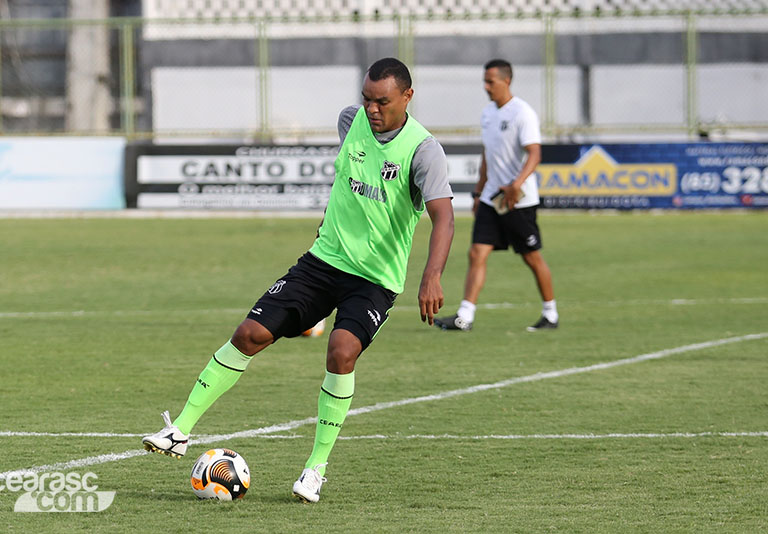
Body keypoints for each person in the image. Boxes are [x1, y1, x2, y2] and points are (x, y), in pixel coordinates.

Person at [142, 57, 455, 503]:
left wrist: (432, 276)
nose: (370, 109)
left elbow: (444, 218)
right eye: (366, 98)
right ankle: (180, 431)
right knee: (250, 334)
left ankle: (315, 469)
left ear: (407, 96)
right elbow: (350, 183)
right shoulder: (350, 122)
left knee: (341, 349)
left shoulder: (424, 151)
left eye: (381, 101)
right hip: (321, 263)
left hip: (374, 279)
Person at [434, 59, 557, 333]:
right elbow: (488, 155)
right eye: (484, 81)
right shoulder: (488, 114)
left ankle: (551, 313)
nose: (486, 87)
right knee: (477, 252)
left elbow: (535, 153)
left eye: (491, 81)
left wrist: (517, 183)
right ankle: (464, 317)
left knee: (531, 257)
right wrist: (479, 191)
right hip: (492, 198)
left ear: (507, 80)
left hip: (518, 200)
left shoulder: (523, 113)